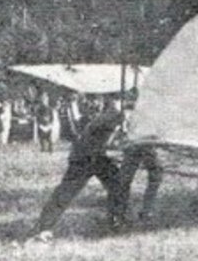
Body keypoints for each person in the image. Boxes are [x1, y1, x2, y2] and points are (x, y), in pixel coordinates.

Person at [30, 99, 126, 241]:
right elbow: (106, 142)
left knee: (118, 185)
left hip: (97, 157)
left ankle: (115, 222)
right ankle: (43, 228)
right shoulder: (109, 118)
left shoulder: (111, 117)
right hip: (84, 157)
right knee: (66, 192)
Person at [117, 144, 163, 224]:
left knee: (155, 175)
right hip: (135, 144)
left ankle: (147, 211)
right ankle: (121, 213)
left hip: (146, 144)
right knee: (124, 180)